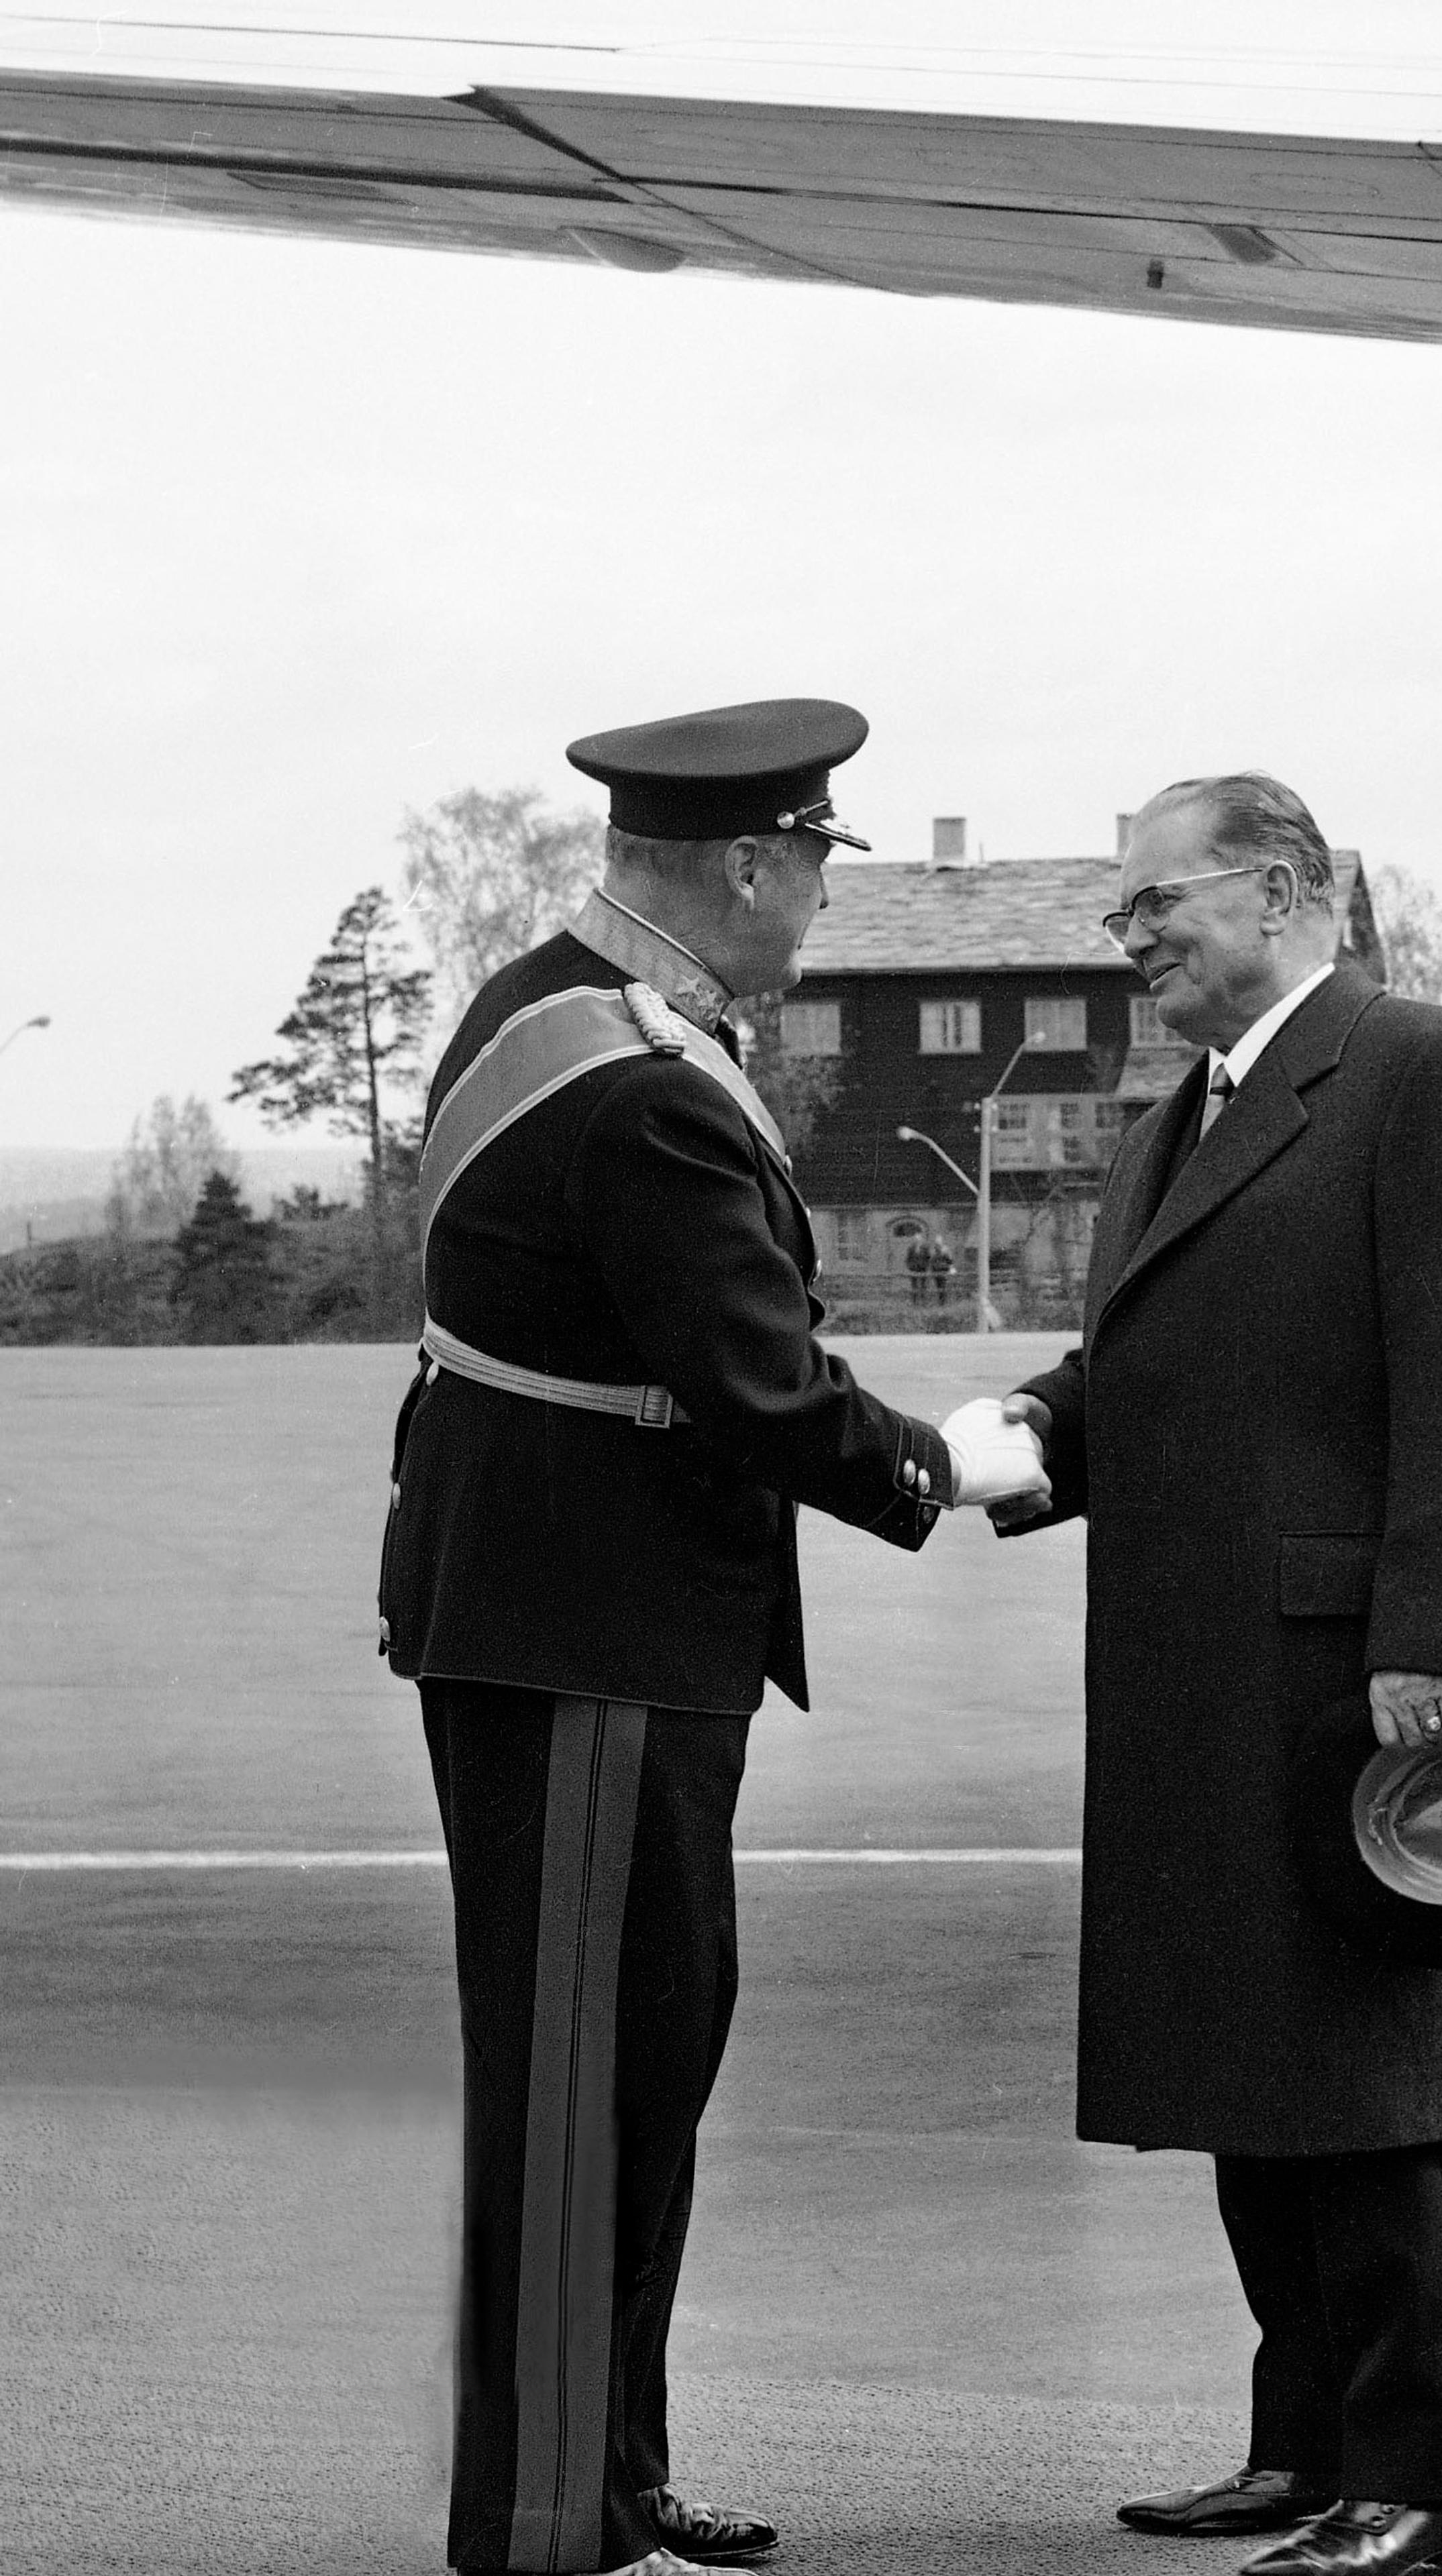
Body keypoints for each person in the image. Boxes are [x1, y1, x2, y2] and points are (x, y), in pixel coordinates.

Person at [378, 697, 1039, 2576]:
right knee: (592, 2077)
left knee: (628, 2063)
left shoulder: (548, 1006)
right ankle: (546, 2522)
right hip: (595, 1628)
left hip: (567, 1607)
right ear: (749, 861)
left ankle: (608, 2480)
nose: (821, 902)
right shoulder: (645, 1083)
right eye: (817, 863)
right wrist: (939, 1469)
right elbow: (752, 1381)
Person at [982, 772, 1442, 2576]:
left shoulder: (1426, 1071)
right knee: (1272, 2075)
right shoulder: (1187, 1117)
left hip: (1368, 1687)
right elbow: (1172, 1373)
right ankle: (1307, 2439)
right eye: (1125, 907)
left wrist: (1434, 1647)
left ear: (1294, 890)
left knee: (1397, 2091)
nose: (1131, 932)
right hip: (1217, 1678)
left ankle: (1427, 2485)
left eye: (1163, 899)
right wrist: (1017, 1435)